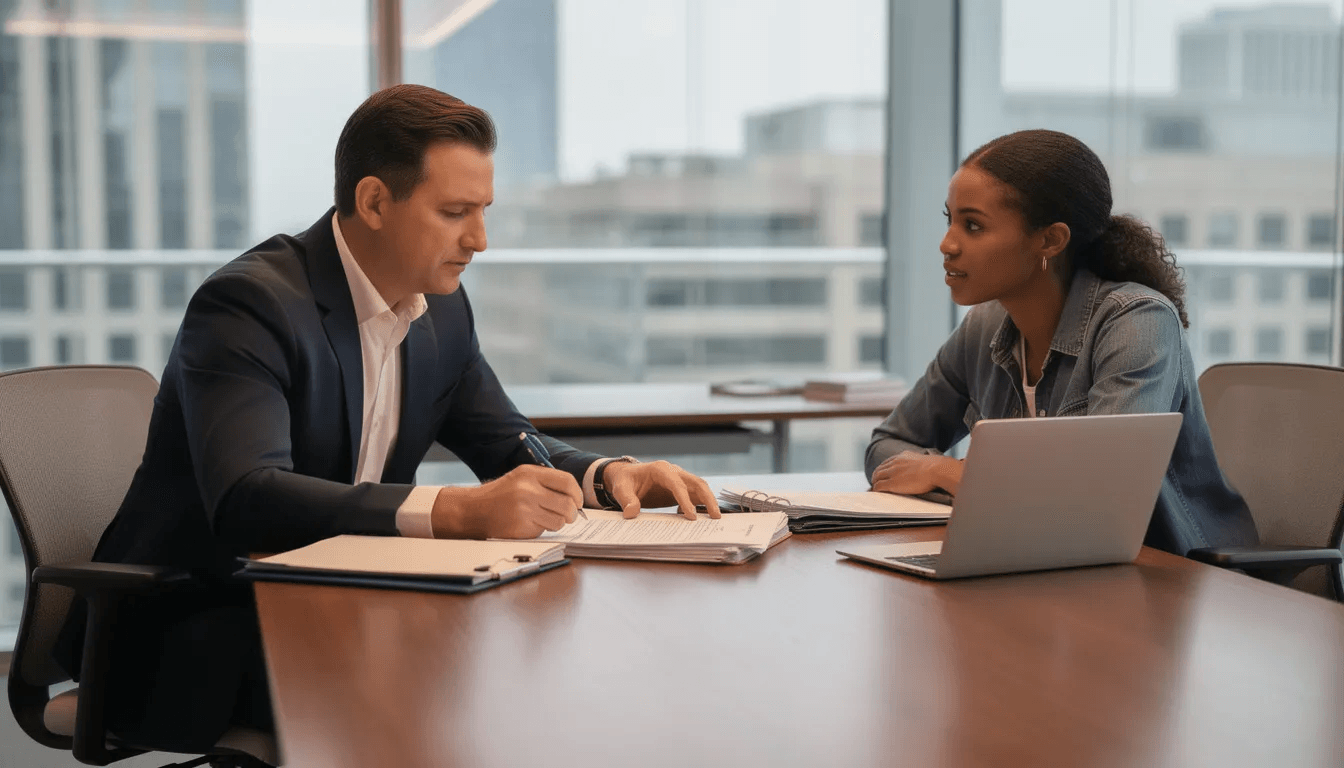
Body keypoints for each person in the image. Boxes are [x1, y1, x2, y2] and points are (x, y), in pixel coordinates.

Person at [56, 84, 721, 752]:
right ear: (375, 201)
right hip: (199, 628)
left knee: (525, 675)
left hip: (348, 610)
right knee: (471, 697)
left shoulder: (442, 310)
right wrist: (457, 511)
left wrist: (608, 476)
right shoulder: (249, 306)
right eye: (455, 212)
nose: (480, 241)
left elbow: (506, 441)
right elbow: (247, 499)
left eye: (483, 211)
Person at [866, 128, 1258, 557]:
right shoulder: (984, 327)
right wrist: (965, 483)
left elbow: (1100, 495)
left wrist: (948, 473)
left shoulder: (1138, 322)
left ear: (1050, 240)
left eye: (973, 225)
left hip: (1172, 573)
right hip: (1040, 559)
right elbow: (887, 445)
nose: (947, 244)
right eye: (950, 220)